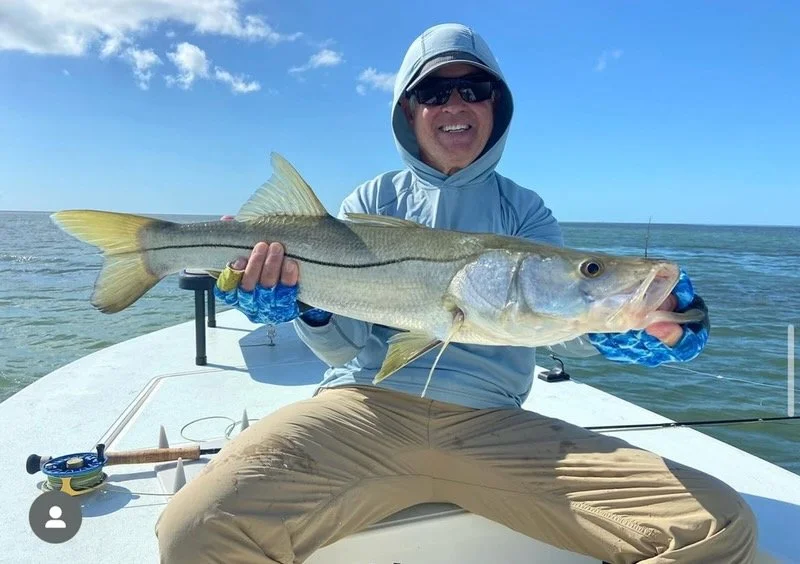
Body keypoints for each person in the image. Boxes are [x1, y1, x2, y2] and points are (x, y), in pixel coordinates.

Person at [155, 23, 756, 563]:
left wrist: (661, 326)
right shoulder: (368, 204)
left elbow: (568, 327)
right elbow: (344, 351)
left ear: (498, 107)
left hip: (495, 427)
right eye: (433, 92)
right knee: (193, 531)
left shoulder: (525, 213)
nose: (455, 105)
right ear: (407, 110)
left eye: (474, 89)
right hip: (361, 409)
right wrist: (302, 306)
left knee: (720, 524)